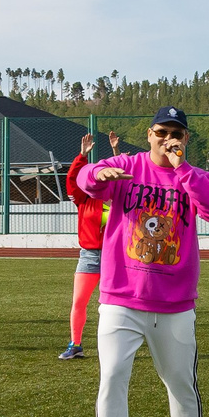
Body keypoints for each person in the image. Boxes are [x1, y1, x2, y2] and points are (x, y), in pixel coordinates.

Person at [71, 105, 209, 417]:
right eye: (161, 132)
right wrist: (98, 171)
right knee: (111, 379)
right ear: (149, 133)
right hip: (121, 299)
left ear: (186, 139)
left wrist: (183, 170)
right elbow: (85, 180)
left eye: (176, 133)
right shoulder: (128, 166)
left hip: (175, 303)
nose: (168, 139)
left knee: (181, 383)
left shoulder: (194, 176)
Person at [59, 132, 118, 361]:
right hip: (90, 256)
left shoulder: (119, 197)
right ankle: (75, 345)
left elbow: (128, 179)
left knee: (113, 306)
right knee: (79, 302)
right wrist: (82, 156)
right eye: (97, 175)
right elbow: (72, 181)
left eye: (105, 174)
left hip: (116, 257)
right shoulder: (84, 199)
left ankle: (114, 347)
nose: (101, 178)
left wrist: (115, 153)